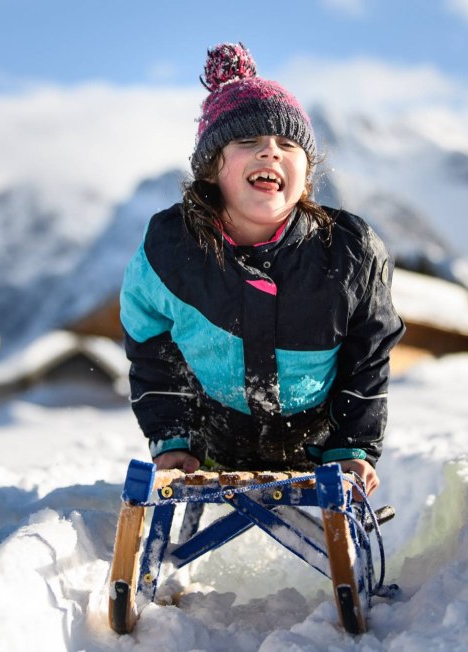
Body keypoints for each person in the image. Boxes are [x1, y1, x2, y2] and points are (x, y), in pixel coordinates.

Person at [120, 42, 405, 498]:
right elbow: (150, 342)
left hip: (314, 437)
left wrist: (352, 445)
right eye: (248, 141)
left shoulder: (348, 254)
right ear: (212, 169)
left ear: (306, 173)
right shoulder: (172, 250)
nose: (270, 153)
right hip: (213, 433)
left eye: (288, 144)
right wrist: (172, 434)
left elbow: (368, 355)